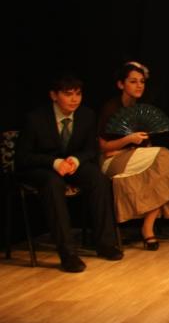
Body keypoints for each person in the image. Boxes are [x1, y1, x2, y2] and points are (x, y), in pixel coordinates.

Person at [16, 73, 123, 272]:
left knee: (98, 179)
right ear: (54, 95)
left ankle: (105, 243)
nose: (74, 99)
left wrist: (76, 160)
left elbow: (91, 149)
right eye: (68, 94)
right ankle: (68, 254)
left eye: (78, 94)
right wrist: (54, 162)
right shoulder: (35, 119)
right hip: (43, 167)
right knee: (53, 183)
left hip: (72, 163)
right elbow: (22, 157)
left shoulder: (87, 115)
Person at [98, 62, 169, 251]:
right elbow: (104, 147)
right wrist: (128, 140)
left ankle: (147, 228)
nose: (139, 85)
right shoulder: (111, 108)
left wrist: (139, 146)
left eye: (142, 81)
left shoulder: (140, 108)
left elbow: (145, 145)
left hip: (135, 158)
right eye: (133, 81)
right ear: (121, 84)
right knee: (162, 155)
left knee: (157, 172)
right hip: (112, 161)